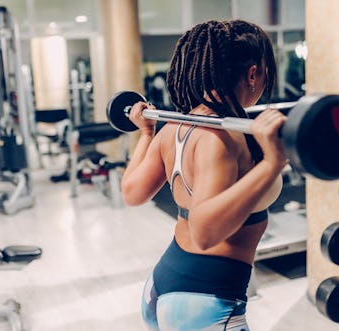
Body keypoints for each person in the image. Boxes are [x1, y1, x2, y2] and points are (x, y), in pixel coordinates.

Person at [121, 19, 288, 330]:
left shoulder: (173, 126)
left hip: (164, 282)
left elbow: (132, 192)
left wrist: (146, 133)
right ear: (253, 73)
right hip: (206, 302)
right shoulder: (220, 137)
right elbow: (205, 231)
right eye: (266, 71)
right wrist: (272, 163)